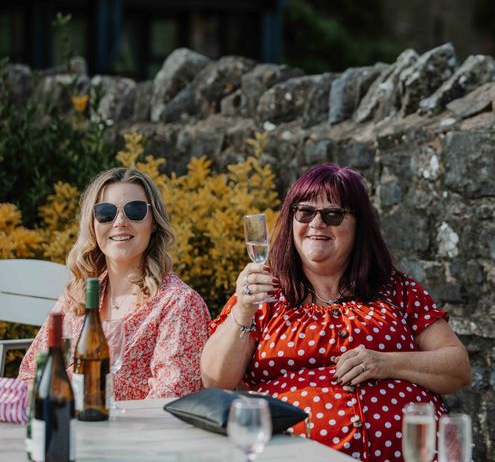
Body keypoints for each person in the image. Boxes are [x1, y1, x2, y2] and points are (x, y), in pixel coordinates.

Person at [201, 164, 472, 461]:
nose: (317, 223)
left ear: (359, 226)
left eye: (333, 214)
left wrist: (385, 363)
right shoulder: (264, 294)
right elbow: (215, 380)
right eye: (304, 212)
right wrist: (243, 310)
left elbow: (457, 367)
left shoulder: (396, 290)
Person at [20, 167, 211, 400]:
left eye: (135, 210)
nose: (120, 221)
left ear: (154, 223)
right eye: (105, 213)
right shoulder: (78, 295)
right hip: (67, 428)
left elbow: (170, 398)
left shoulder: (179, 303)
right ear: (93, 224)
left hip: (136, 433)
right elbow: (32, 373)